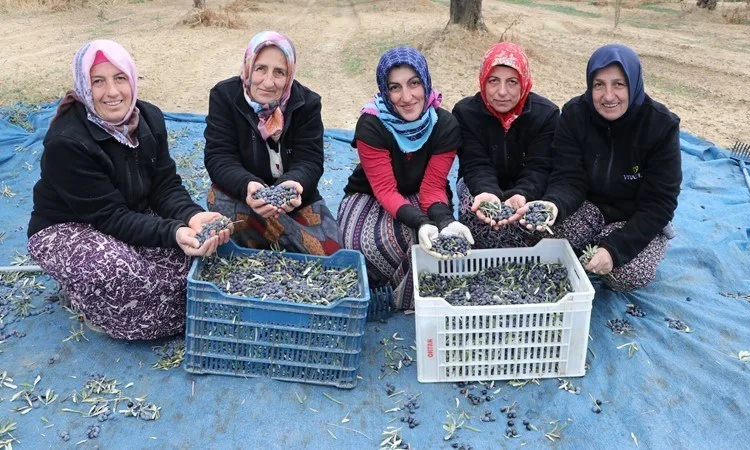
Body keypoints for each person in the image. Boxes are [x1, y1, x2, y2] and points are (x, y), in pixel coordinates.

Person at [27, 40, 230, 340]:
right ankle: (81, 294)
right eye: (98, 82)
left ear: (132, 79)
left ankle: (106, 285)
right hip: (68, 228)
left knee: (200, 260)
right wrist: (173, 232)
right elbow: (109, 217)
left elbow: (164, 185)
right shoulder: (67, 142)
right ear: (84, 86)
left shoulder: (149, 119)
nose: (112, 92)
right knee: (125, 277)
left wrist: (192, 217)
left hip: (127, 212)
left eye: (119, 78)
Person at [518, 44, 681, 291]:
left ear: (634, 84)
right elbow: (568, 178)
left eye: (619, 84)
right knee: (544, 242)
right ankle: (591, 241)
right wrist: (554, 205)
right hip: (589, 207)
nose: (608, 96)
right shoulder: (574, 115)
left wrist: (614, 250)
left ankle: (614, 244)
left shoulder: (660, 125)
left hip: (635, 216)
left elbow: (660, 203)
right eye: (599, 85)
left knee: (626, 274)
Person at [338, 46, 473, 310]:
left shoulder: (444, 125)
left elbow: (432, 188)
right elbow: (385, 190)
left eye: (414, 84)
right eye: (395, 87)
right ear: (385, 91)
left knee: (426, 241)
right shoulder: (372, 124)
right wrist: (422, 222)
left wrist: (444, 221)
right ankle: (382, 286)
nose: (407, 97)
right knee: (359, 242)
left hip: (422, 193)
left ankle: (402, 296)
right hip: (370, 194)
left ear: (425, 82)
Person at [204, 31, 341, 256]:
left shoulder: (307, 104)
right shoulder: (225, 96)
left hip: (297, 201)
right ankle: (284, 242)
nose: (268, 82)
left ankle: (269, 240)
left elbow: (310, 161)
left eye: (279, 72)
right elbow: (219, 157)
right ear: (248, 67)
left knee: (332, 252)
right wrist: (248, 186)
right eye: (260, 69)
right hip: (244, 199)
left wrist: (293, 185)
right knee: (220, 202)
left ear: (290, 74)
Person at [453, 42, 559, 249]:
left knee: (530, 227)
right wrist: (487, 191)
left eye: (512, 82)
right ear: (483, 81)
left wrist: (522, 194)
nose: (502, 92)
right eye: (493, 81)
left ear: (524, 82)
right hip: (481, 186)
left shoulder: (546, 115)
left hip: (528, 188)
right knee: (475, 215)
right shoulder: (465, 113)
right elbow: (475, 163)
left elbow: (539, 167)